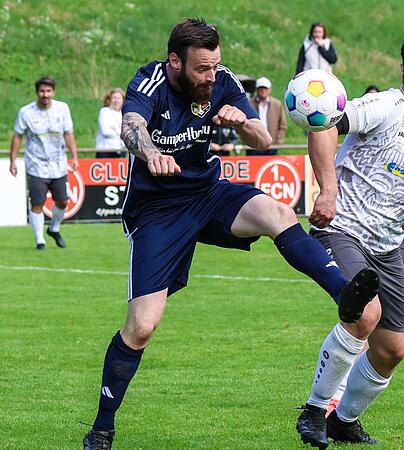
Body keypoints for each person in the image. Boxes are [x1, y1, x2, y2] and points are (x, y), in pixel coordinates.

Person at [80, 19, 380, 450]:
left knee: (276, 211)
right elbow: (132, 127)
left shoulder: (220, 81)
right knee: (142, 326)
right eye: (202, 68)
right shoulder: (150, 82)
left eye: (216, 66)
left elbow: (261, 138)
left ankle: (344, 293)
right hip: (158, 210)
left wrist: (243, 122)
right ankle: (102, 428)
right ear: (175, 62)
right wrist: (150, 153)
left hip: (207, 192)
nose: (212, 76)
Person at [295, 25, 404, 448]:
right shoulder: (385, 104)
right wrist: (327, 190)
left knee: (391, 350)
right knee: (365, 315)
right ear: (403, 66)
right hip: (343, 228)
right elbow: (324, 125)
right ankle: (314, 409)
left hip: (387, 245)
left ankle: (343, 420)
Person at [8, 76, 78, 250]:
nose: (45, 95)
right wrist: (12, 160)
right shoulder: (26, 112)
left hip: (58, 163)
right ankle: (40, 240)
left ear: (53, 92)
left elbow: (68, 133)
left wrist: (75, 156)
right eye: (42, 91)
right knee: (37, 203)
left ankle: (54, 228)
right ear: (37, 92)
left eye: (48, 91)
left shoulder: (62, 109)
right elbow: (17, 136)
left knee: (63, 201)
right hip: (36, 164)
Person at [248, 76, 287, 155]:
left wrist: (278, 143)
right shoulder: (249, 103)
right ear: (257, 89)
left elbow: (282, 125)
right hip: (254, 145)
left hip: (272, 146)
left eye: (265, 88)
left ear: (270, 89)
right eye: (260, 88)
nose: (263, 91)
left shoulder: (277, 104)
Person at [96, 88, 126, 158]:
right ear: (110, 100)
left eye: (118, 98)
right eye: (114, 98)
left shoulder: (123, 114)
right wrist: (121, 134)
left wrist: (115, 130)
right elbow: (106, 132)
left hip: (120, 150)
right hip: (105, 151)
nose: (116, 101)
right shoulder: (104, 111)